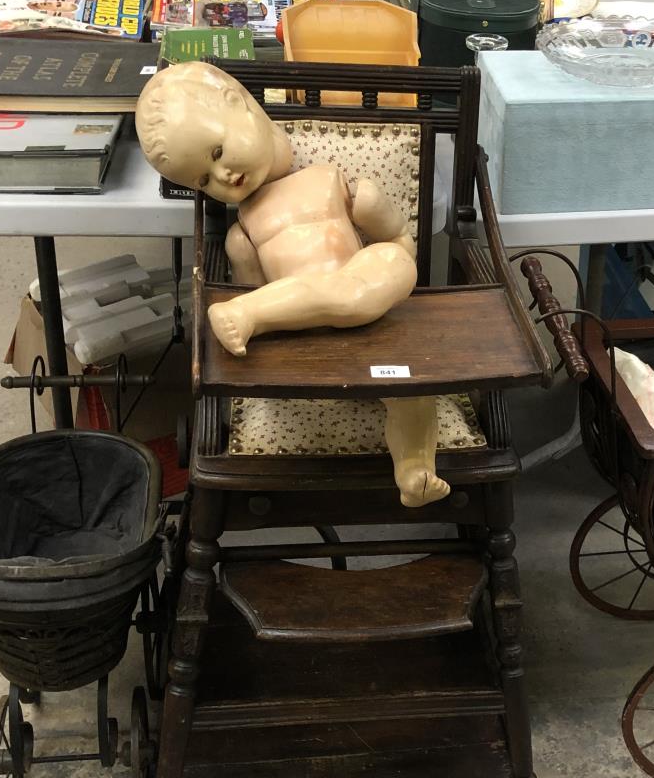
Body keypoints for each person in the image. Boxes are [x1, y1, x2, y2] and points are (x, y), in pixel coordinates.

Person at [136, 62, 450, 507]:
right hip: (308, 339)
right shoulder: (242, 233)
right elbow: (254, 288)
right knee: (341, 300)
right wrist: (254, 305)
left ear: (243, 107)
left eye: (219, 151)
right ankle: (267, 315)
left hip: (373, 316)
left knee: (412, 385)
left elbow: (399, 240)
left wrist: (373, 208)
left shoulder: (330, 180)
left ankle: (414, 469)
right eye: (204, 180)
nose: (222, 177)